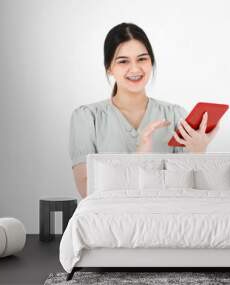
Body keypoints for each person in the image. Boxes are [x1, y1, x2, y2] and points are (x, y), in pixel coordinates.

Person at [69, 23, 220, 198]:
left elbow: (190, 191)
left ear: (151, 62)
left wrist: (198, 152)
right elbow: (87, 191)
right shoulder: (87, 118)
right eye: (123, 61)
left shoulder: (175, 114)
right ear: (109, 68)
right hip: (111, 220)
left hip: (167, 217)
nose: (135, 69)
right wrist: (138, 159)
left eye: (142, 59)